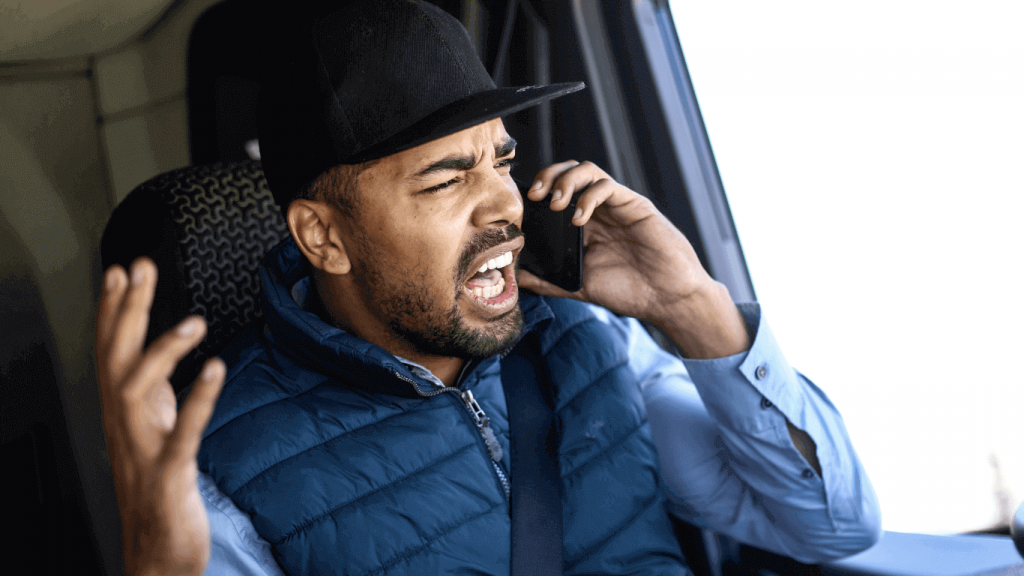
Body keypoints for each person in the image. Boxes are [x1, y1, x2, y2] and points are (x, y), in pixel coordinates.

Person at [93, 1, 881, 575]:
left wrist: (693, 308)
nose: (506, 203)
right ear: (323, 237)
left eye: (501, 160)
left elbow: (833, 528)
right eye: (446, 180)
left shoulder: (588, 338)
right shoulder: (226, 467)